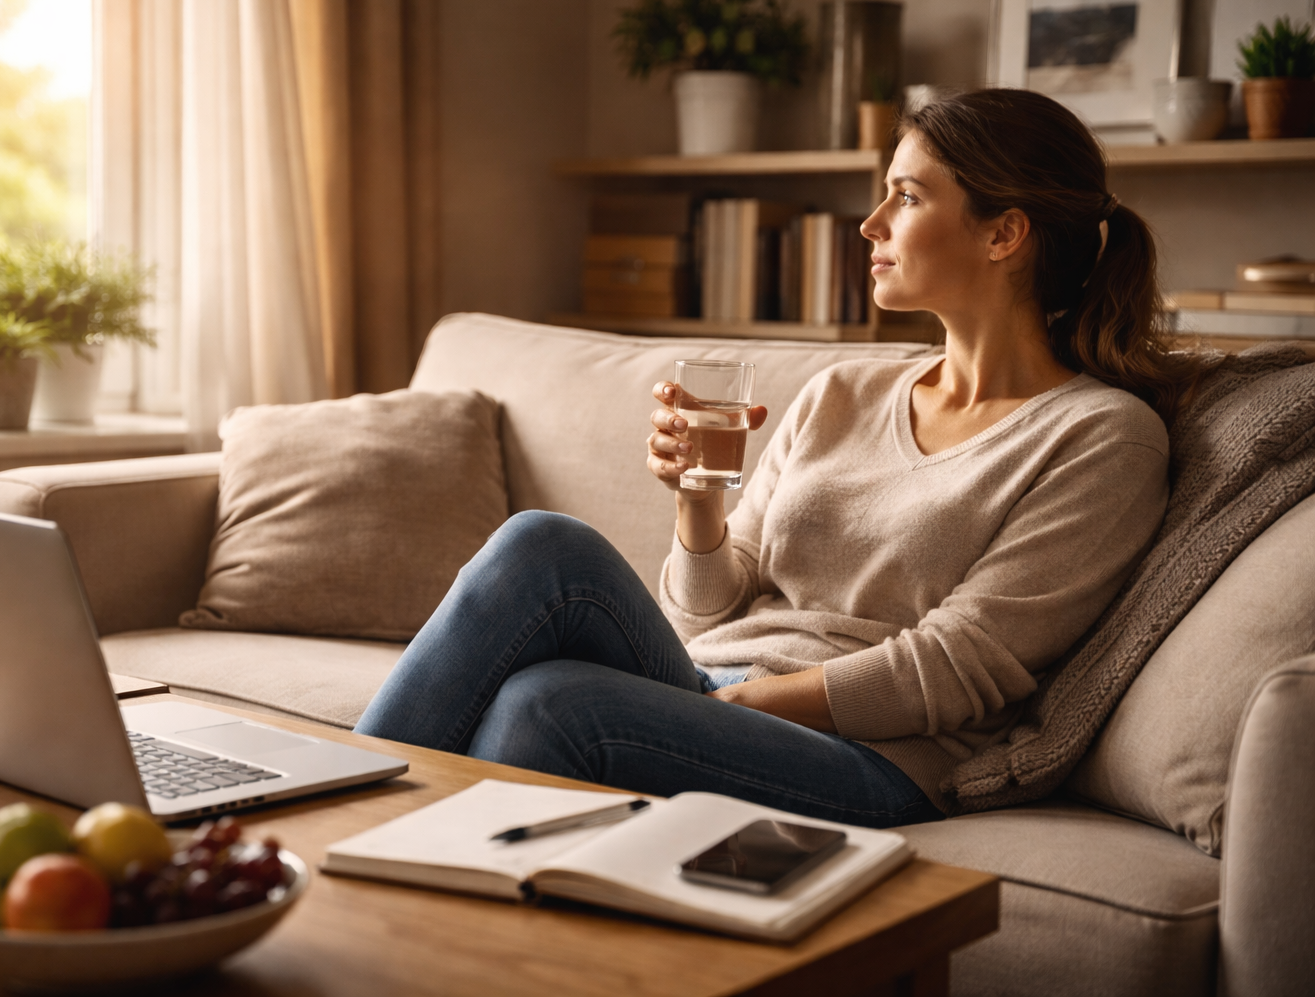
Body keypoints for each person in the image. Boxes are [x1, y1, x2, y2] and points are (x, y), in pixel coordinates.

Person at [354, 88, 1200, 826]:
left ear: (1003, 233)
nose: (871, 224)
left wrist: (726, 700)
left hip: (877, 758)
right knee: (542, 546)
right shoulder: (845, 391)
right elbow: (703, 620)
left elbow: (954, 667)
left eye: (905, 197)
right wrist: (696, 501)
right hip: (720, 690)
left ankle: (338, 856)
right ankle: (337, 825)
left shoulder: (1099, 437)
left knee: (546, 705)